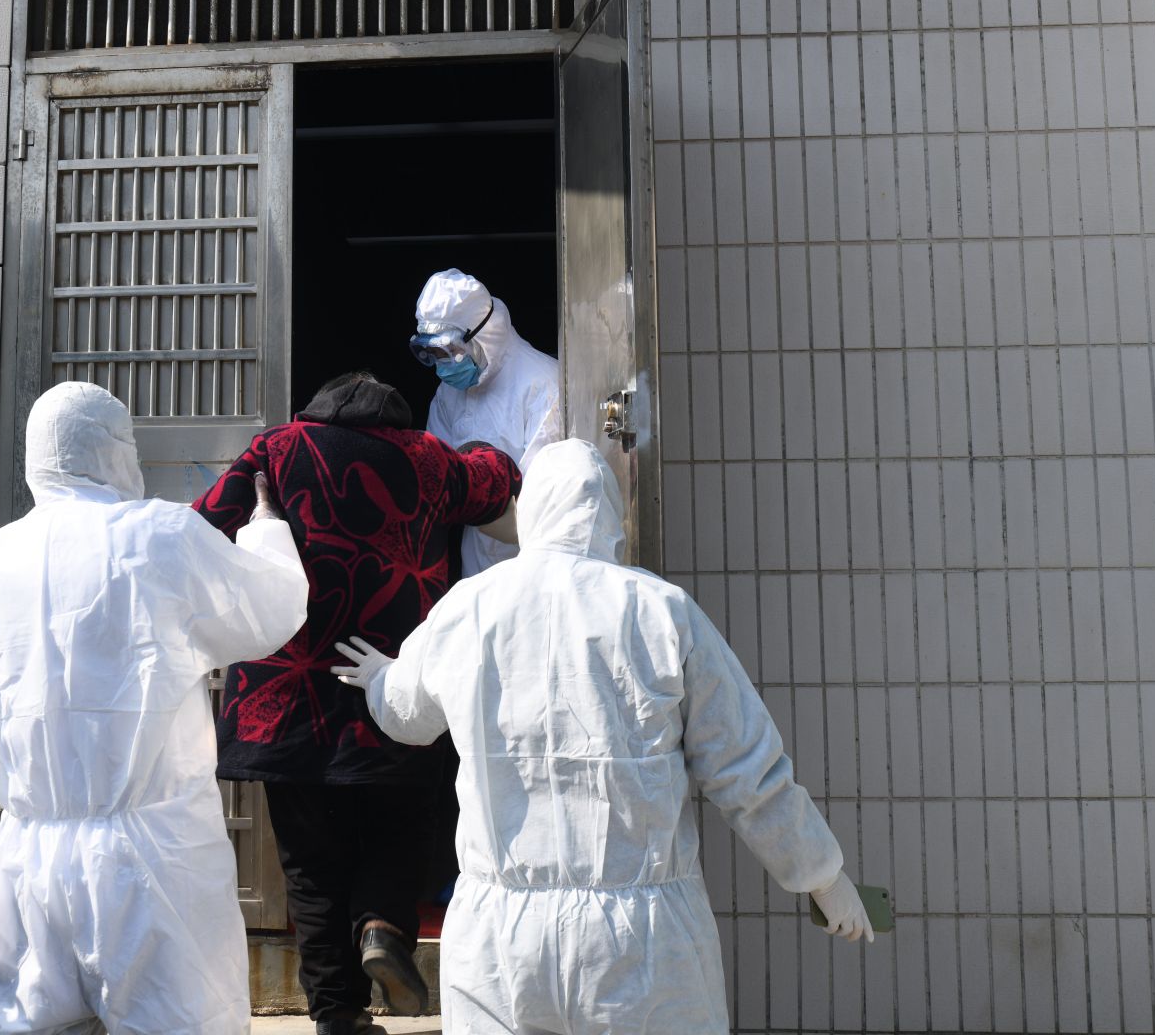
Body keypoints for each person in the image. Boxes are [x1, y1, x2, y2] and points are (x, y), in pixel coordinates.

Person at [332, 439, 874, 1035]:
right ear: (609, 516)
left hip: (499, 942)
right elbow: (747, 769)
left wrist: (380, 679)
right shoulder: (662, 611)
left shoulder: (473, 606)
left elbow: (407, 716)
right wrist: (822, 876)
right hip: (644, 942)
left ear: (531, 510)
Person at [0, 382, 310, 1035]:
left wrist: (34, 798)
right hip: (153, 853)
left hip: (31, 853)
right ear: (111, 448)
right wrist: (267, 531)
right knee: (180, 1023)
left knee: (28, 1024)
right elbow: (269, 609)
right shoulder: (161, 535)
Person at [194, 372, 521, 1035]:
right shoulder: (429, 458)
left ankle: (338, 1015)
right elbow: (497, 481)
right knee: (402, 823)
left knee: (310, 866)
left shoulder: (278, 448)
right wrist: (483, 448)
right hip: (391, 678)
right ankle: (382, 924)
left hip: (287, 694)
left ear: (315, 411)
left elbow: (203, 524)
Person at [409, 269, 562, 575]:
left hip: (536, 567)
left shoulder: (543, 383)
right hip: (477, 569)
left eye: (449, 351)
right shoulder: (449, 394)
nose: (442, 365)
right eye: (433, 354)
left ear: (481, 336)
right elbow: (436, 474)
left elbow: (543, 499)